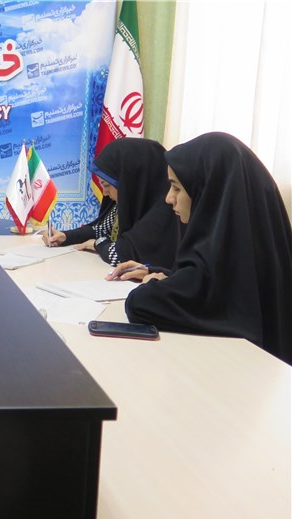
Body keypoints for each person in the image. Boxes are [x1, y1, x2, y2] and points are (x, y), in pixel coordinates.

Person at [111, 132, 292, 365]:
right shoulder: (252, 243)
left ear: (208, 191)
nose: (168, 198)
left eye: (176, 188)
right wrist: (160, 273)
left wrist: (151, 284)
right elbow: (215, 286)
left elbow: (140, 304)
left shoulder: (214, 255)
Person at [42, 138, 180, 268]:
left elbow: (120, 255)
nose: (105, 193)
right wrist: (65, 236)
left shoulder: (168, 209)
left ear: (129, 180)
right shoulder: (134, 200)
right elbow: (101, 229)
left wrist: (97, 244)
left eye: (107, 185)